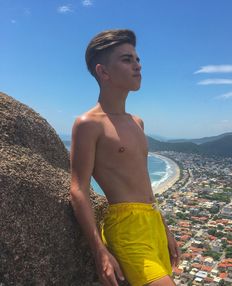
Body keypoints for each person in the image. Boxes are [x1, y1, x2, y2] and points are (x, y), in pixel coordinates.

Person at [70, 29, 180, 286]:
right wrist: (100, 251)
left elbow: (145, 186)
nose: (138, 66)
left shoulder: (137, 122)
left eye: (137, 59)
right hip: (125, 228)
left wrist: (165, 230)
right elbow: (78, 189)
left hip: (152, 224)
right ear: (103, 72)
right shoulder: (88, 124)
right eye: (127, 59)